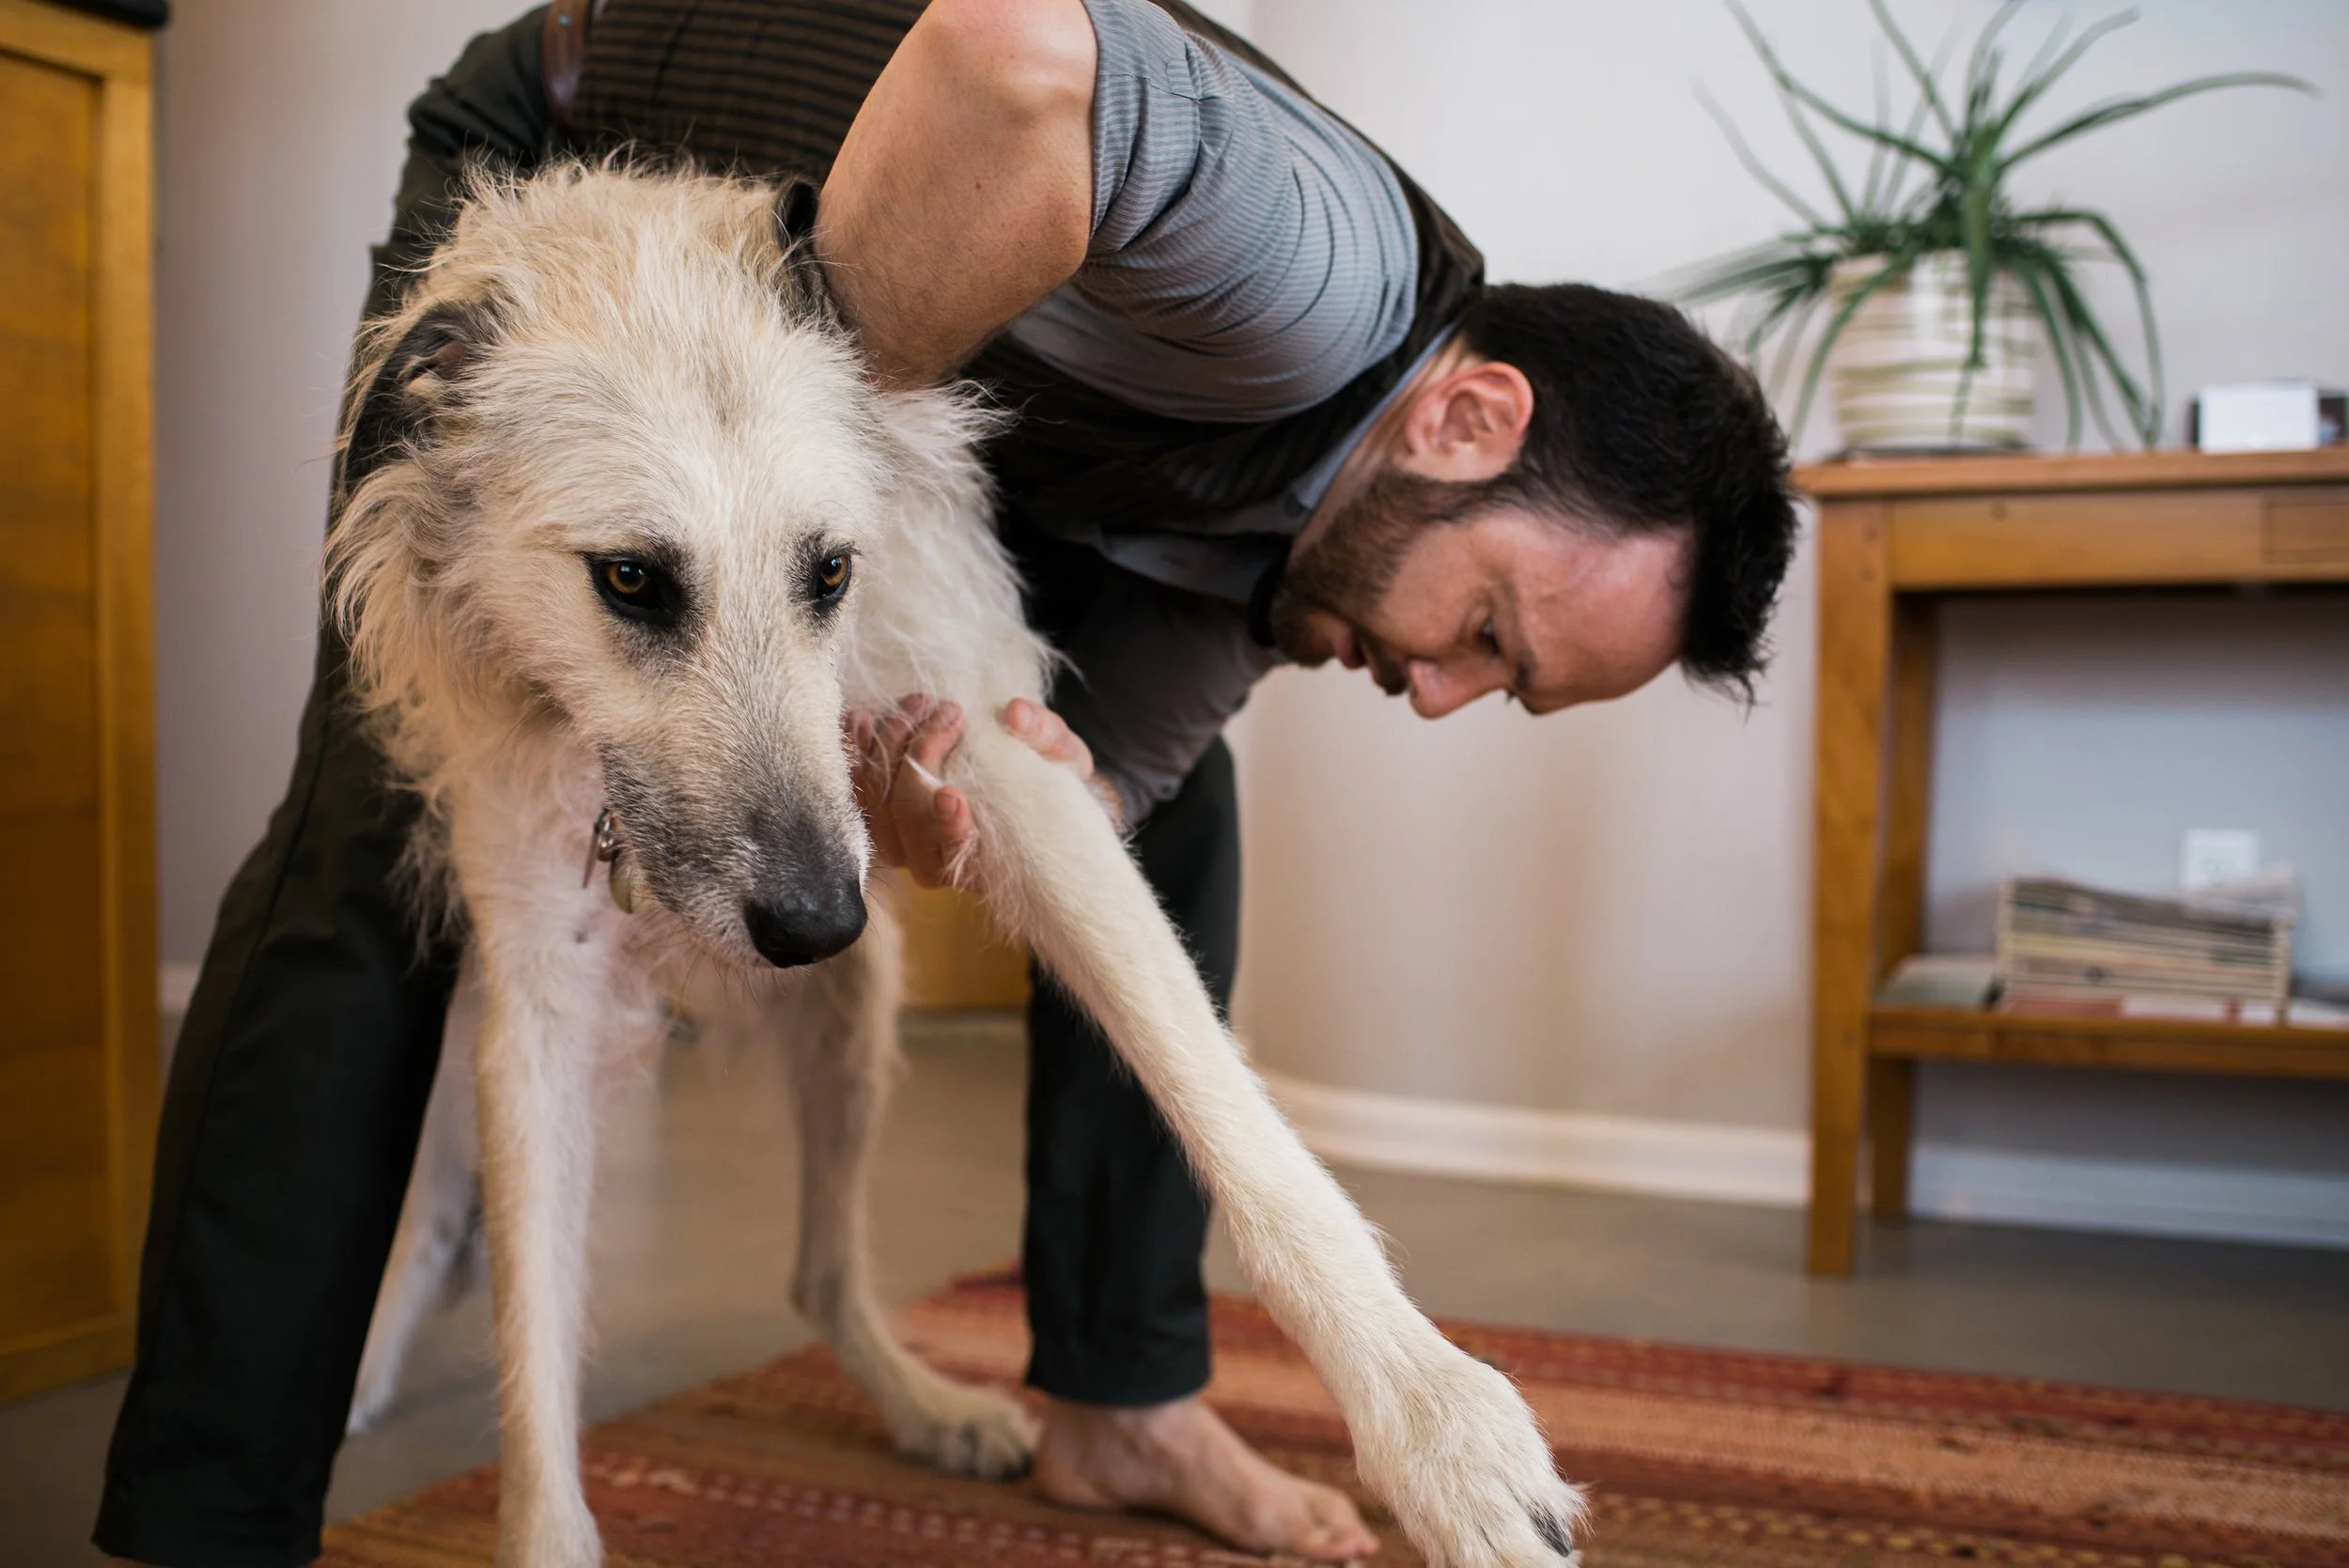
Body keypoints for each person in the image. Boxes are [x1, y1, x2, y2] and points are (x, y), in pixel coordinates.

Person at [97, 1, 1798, 1563]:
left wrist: (933, 806)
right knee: (360, 838)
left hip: (779, 388)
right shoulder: (1321, 270)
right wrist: (829, 397)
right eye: (1490, 632)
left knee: (1177, 822)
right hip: (559, 191)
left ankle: (1124, 1393)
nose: (1436, 696)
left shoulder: (1283, 570)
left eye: (1498, 693)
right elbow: (1008, 55)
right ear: (1469, 417)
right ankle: (205, 1513)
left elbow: (1057, 801)